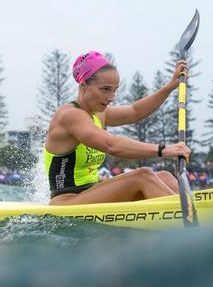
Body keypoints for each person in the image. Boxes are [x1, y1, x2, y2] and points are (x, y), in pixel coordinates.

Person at [43, 51, 190, 205]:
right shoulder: (70, 115)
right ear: (83, 85)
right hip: (67, 200)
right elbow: (111, 145)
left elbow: (135, 111)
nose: (111, 97)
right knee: (143, 176)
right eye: (105, 89)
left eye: (114, 90)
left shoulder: (99, 114)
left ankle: (192, 208)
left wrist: (170, 86)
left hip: (91, 191)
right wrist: (163, 150)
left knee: (165, 176)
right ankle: (187, 216)